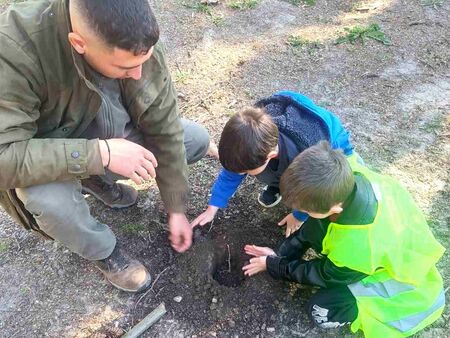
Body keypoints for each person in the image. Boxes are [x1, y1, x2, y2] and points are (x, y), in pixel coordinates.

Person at [0, 0, 216, 293]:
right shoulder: (12, 48)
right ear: (79, 43)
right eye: (125, 67)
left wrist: (176, 207)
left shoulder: (136, 38)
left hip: (97, 128)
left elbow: (164, 128)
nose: (139, 73)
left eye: (143, 61)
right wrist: (100, 154)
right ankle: (106, 254)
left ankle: (92, 178)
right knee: (52, 204)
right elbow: (4, 157)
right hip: (39, 154)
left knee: (194, 139)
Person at [243, 141, 445, 337]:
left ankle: (361, 309)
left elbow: (324, 274)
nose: (300, 214)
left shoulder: (358, 245)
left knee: (319, 311)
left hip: (401, 287)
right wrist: (280, 255)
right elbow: (317, 224)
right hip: (384, 253)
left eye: (304, 210)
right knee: (320, 222)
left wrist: (276, 267)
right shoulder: (346, 173)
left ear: (335, 208)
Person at [191, 91, 355, 237]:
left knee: (330, 187)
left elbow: (312, 191)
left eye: (245, 171)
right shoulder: (251, 138)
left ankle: (282, 183)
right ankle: (277, 185)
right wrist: (213, 206)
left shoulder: (304, 156)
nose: (240, 174)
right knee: (268, 170)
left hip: (334, 149)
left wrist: (298, 216)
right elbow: (231, 173)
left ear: (271, 155)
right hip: (287, 151)